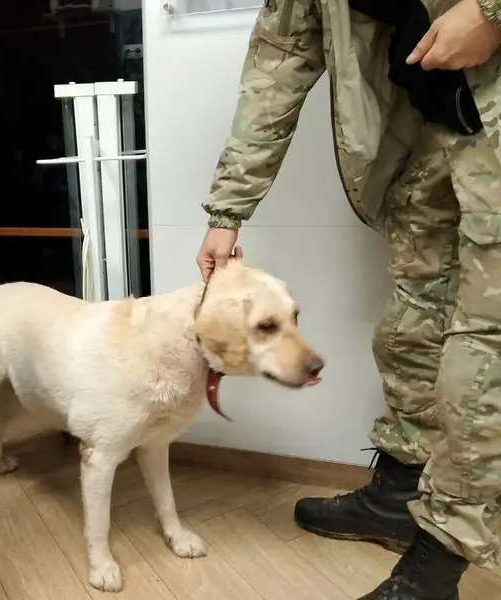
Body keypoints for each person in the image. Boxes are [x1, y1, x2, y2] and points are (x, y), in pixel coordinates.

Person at [195, 1, 501, 598]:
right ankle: (399, 497)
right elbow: (278, 64)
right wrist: (226, 213)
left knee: (485, 354)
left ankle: (438, 564)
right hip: (426, 136)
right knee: (412, 326)